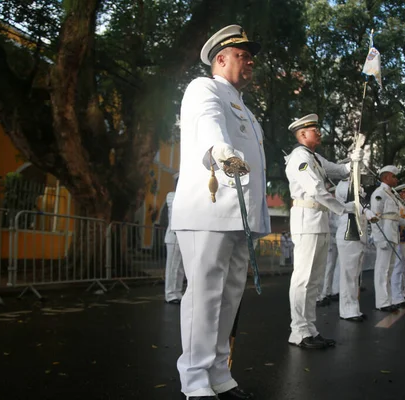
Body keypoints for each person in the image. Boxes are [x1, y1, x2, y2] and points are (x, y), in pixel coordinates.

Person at [171, 25, 270, 400]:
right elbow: (208, 123)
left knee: (229, 295)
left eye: (250, 56)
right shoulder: (205, 88)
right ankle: (195, 380)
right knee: (205, 294)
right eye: (243, 55)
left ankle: (218, 373)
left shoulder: (245, 108)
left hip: (238, 214)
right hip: (208, 209)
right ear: (221, 58)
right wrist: (221, 150)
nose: (250, 62)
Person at [284, 113, 361, 349]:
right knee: (303, 278)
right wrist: (343, 208)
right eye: (314, 129)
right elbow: (317, 189)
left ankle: (309, 329)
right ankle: (298, 331)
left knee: (314, 280)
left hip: (319, 220)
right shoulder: (300, 157)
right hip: (307, 221)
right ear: (302, 134)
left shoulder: (314, 157)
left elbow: (338, 170)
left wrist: (354, 161)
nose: (319, 132)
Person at [370, 166, 405, 312]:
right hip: (385, 236)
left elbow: (395, 217)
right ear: (386, 177)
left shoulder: (391, 194)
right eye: (394, 177)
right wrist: (379, 238)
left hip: (392, 235)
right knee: (382, 269)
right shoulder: (379, 193)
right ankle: (382, 302)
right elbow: (375, 218)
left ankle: (388, 300)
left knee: (389, 270)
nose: (396, 179)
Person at [335, 180, 376, 322]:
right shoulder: (343, 186)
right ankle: (347, 310)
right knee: (348, 274)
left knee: (355, 274)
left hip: (358, 234)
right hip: (348, 232)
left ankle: (353, 308)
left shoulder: (359, 186)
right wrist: (366, 209)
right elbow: (354, 199)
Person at [164, 176, 185, 304]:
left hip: (182, 237)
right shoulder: (172, 196)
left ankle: (177, 292)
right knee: (172, 267)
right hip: (174, 237)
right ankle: (170, 294)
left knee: (180, 268)